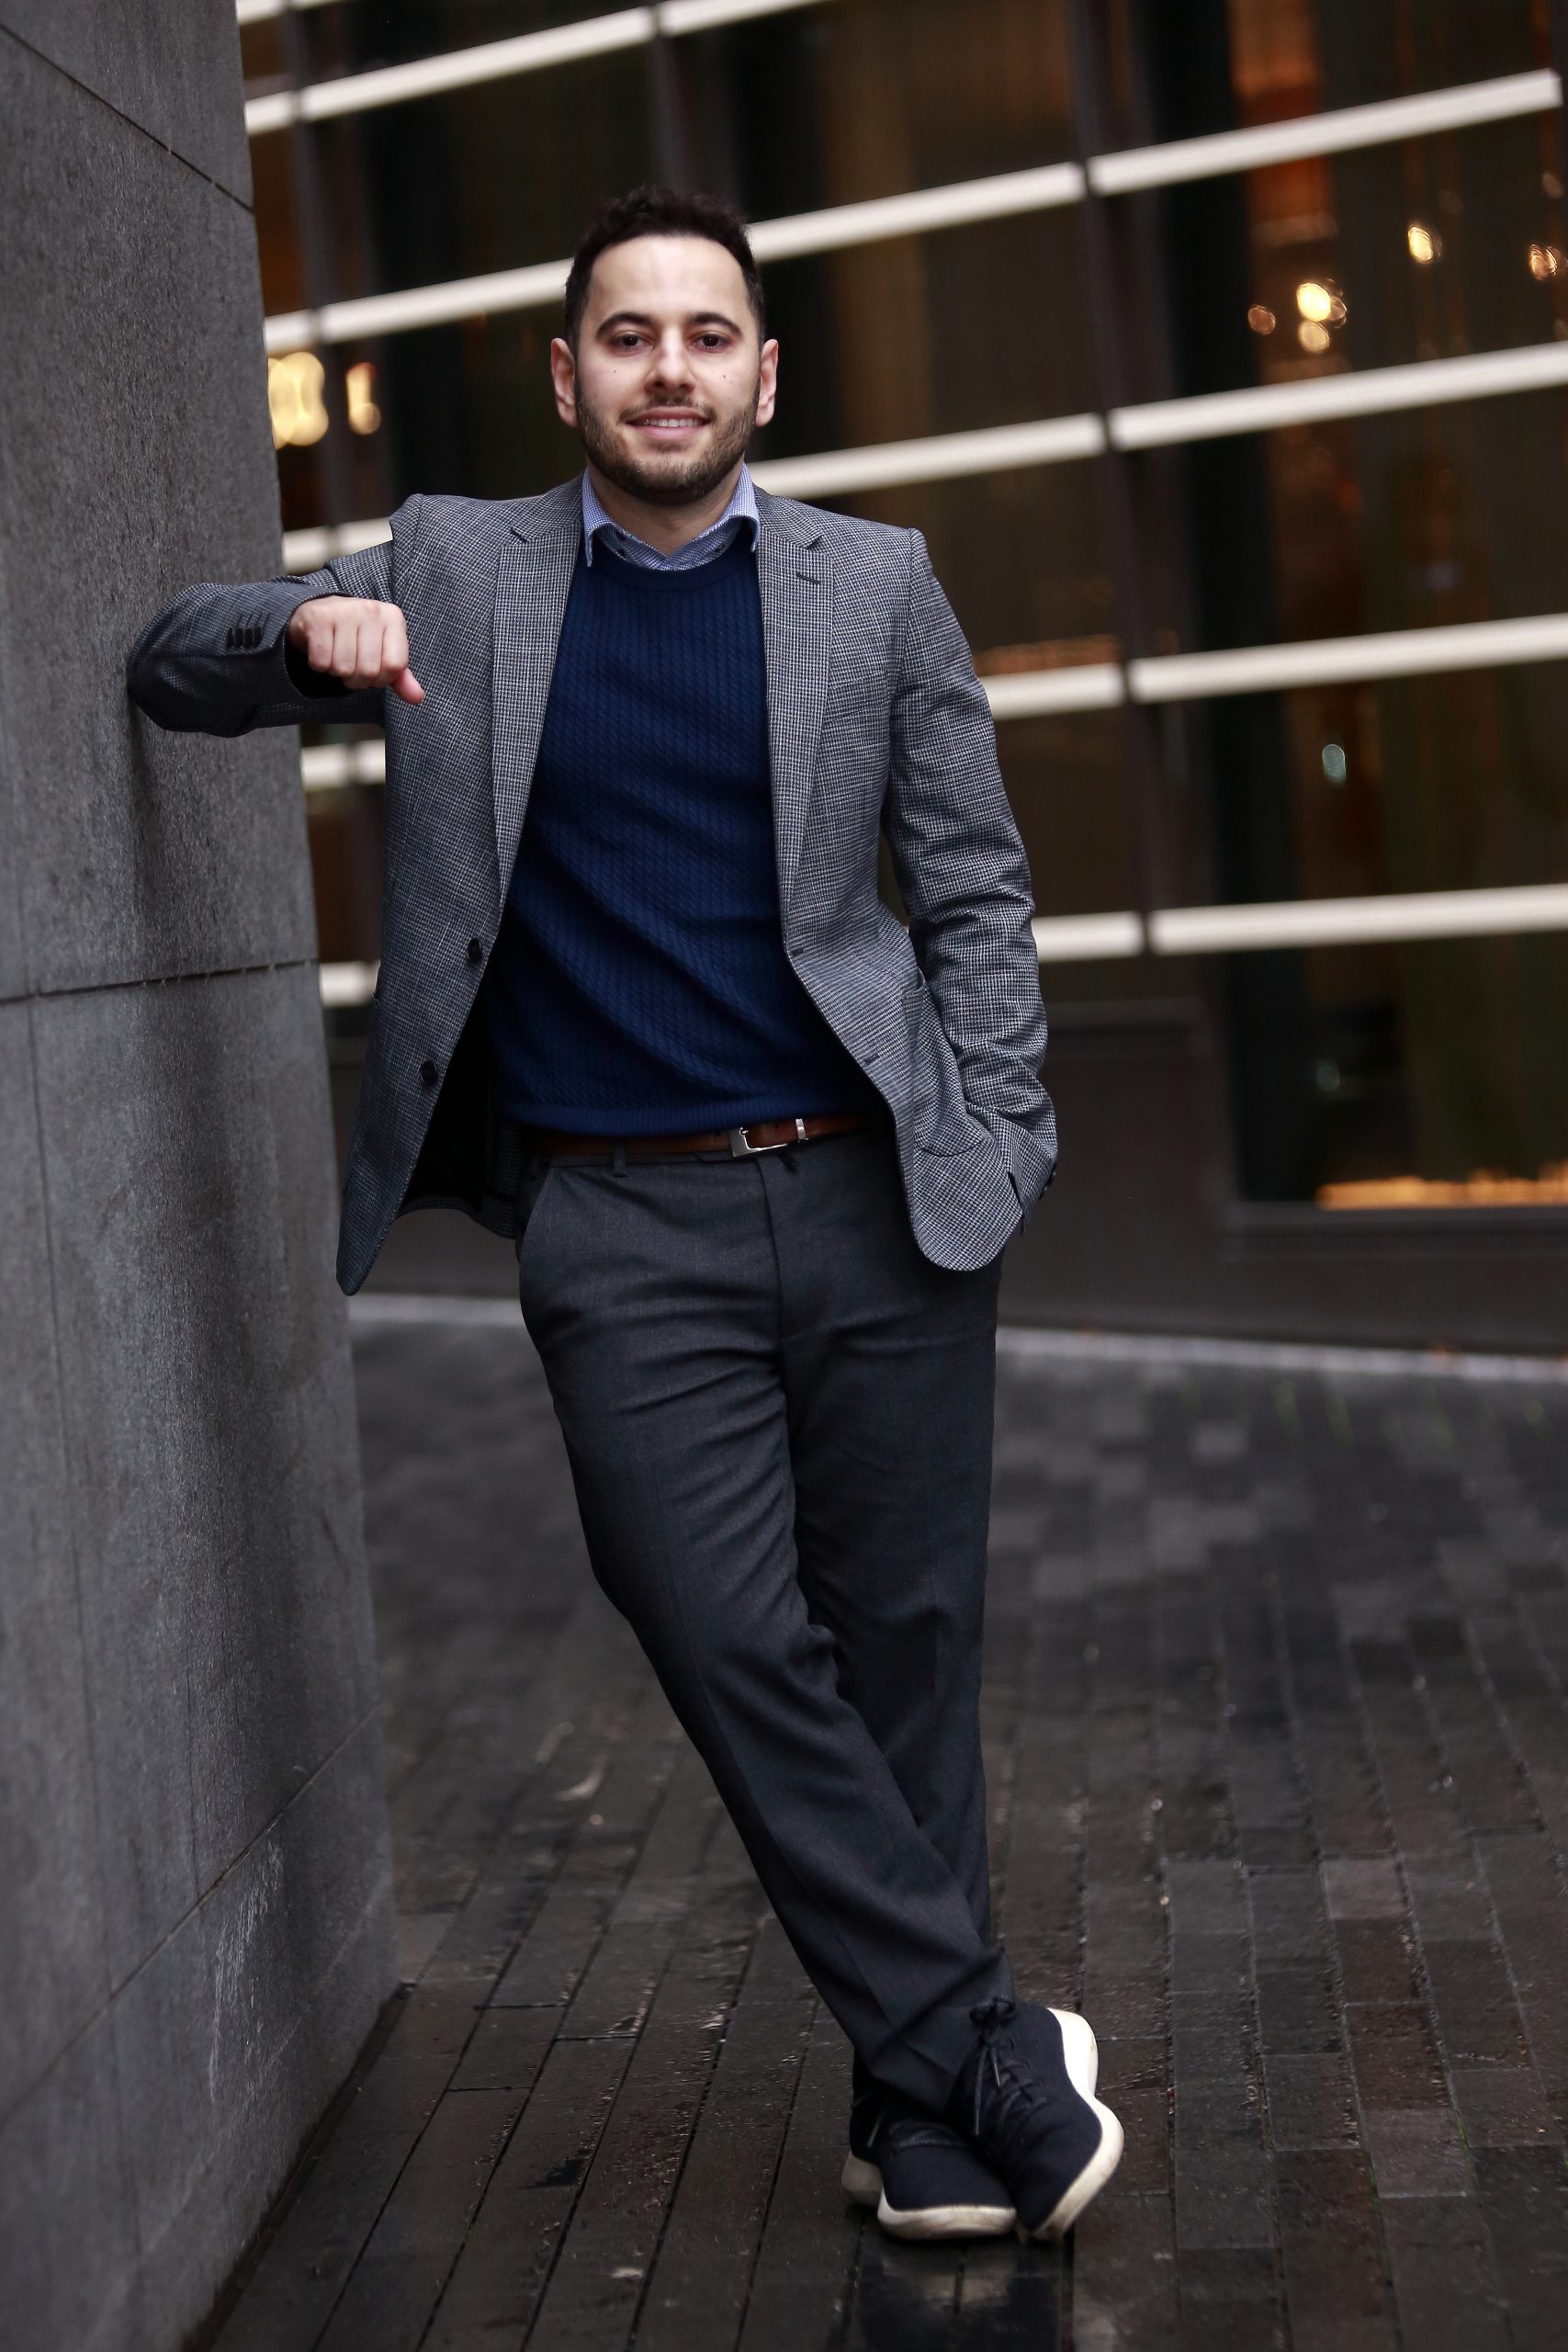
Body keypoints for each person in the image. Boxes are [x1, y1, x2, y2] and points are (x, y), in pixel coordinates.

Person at [128, 185, 1122, 2244]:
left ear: (766, 375)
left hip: (873, 1196)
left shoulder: (875, 583)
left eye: (707, 333)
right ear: (566, 375)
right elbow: (169, 666)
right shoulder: (455, 567)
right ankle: (986, 2035)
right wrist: (294, 633)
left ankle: (918, 2107)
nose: (669, 366)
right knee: (721, 1627)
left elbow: (974, 880)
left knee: (904, 1655)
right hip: (616, 1224)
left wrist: (1001, 1129)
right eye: (628, 333)